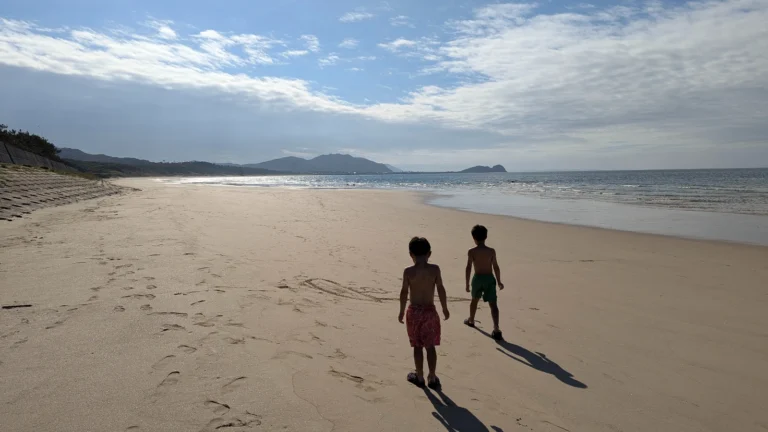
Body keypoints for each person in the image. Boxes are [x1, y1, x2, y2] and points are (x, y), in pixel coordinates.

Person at [399, 236, 450, 389]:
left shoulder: (408, 271)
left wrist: (401, 311)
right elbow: (440, 288)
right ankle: (432, 376)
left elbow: (403, 292)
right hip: (429, 312)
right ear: (429, 253)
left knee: (417, 346)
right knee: (430, 346)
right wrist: (444, 307)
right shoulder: (434, 269)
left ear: (410, 254)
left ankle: (420, 376)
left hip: (414, 312)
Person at [464, 225, 505, 340]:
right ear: (486, 236)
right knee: (493, 304)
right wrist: (499, 281)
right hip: (489, 279)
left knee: (474, 301)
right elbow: (496, 267)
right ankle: (496, 329)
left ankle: (471, 320)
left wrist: (467, 283)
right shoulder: (491, 251)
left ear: (473, 237)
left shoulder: (471, 251)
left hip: (477, 278)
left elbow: (468, 268)